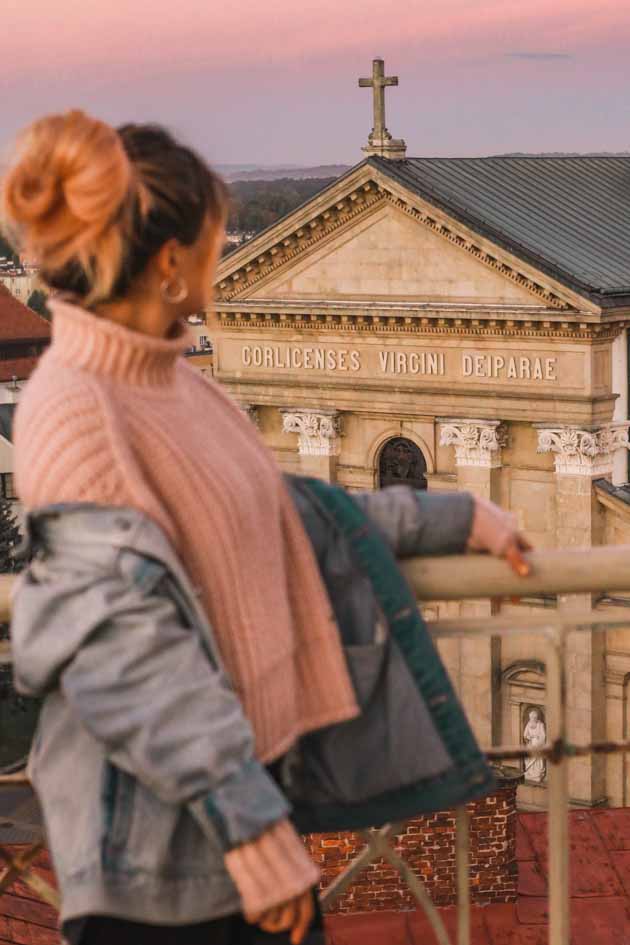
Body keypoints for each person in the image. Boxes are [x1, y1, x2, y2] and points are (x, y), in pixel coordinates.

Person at [1, 110, 531, 945]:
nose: (229, 255)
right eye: (217, 236)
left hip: (244, 820)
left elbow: (283, 514)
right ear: (172, 259)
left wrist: (458, 515)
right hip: (163, 865)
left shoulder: (179, 385)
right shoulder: (73, 410)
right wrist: (252, 837)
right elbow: (125, 654)